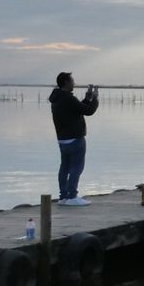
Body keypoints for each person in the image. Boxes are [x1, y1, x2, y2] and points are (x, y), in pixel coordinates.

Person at [49, 72, 99, 207]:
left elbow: (78, 109)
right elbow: (88, 111)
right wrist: (95, 99)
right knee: (77, 167)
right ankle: (72, 196)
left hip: (63, 140)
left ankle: (64, 196)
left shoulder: (58, 98)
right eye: (72, 81)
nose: (74, 83)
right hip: (75, 139)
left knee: (64, 167)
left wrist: (87, 99)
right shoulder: (68, 98)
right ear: (66, 82)